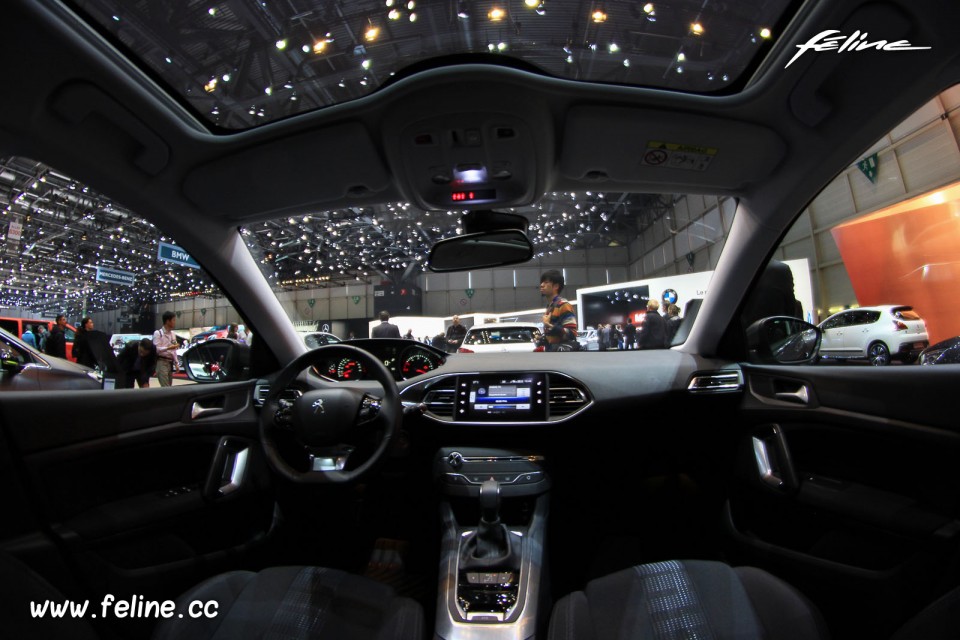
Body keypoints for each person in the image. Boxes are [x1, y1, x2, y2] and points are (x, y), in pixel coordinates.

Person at [539, 270, 579, 351]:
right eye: (542, 282)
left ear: (556, 286)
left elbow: (572, 332)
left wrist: (548, 324)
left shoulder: (564, 305)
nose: (542, 285)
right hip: (553, 351)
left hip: (561, 354)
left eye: (546, 282)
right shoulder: (550, 306)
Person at [153, 311, 179, 386]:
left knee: (169, 386)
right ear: (168, 321)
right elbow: (156, 349)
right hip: (161, 362)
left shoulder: (173, 334)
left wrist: (176, 363)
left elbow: (174, 350)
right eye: (173, 320)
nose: (175, 322)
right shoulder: (158, 333)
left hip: (170, 362)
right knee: (165, 387)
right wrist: (168, 348)